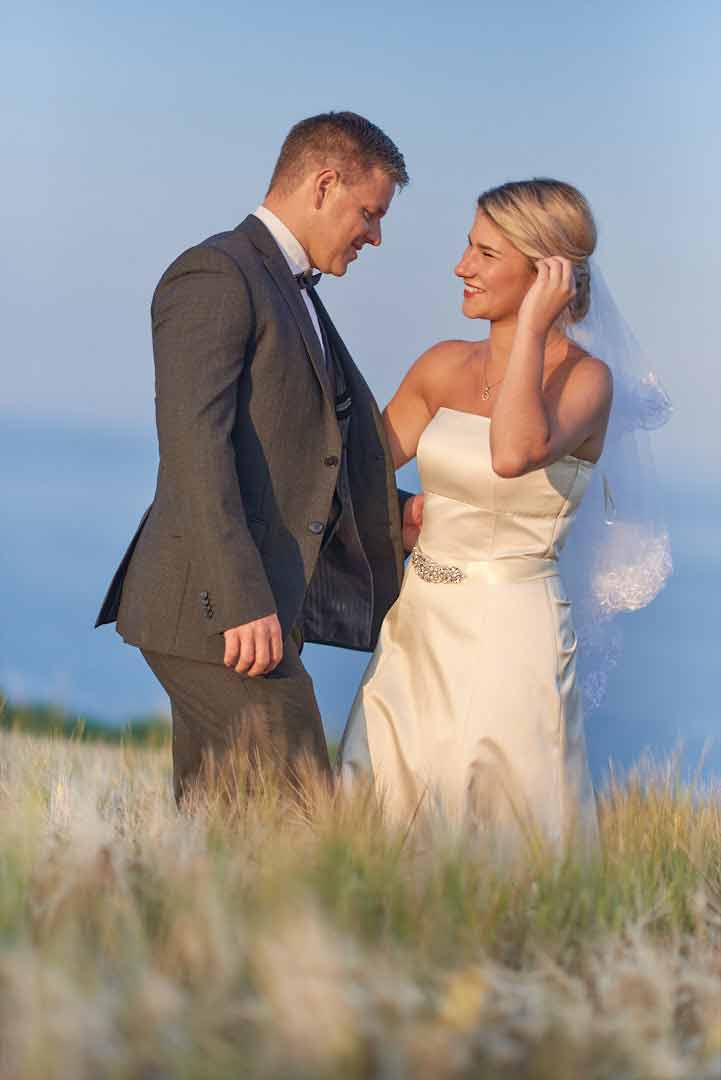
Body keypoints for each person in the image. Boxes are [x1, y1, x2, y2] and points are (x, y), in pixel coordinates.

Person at [95, 111, 423, 805]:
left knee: (221, 830)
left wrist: (399, 514)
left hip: (257, 613)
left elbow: (305, 454)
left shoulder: (292, 289)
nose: (374, 235)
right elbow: (195, 449)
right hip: (219, 614)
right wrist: (240, 600)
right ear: (324, 183)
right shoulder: (216, 274)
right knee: (302, 815)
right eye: (369, 213)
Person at [339, 179, 615, 853]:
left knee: (502, 823)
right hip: (418, 623)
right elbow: (352, 475)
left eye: (485, 254)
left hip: (509, 635)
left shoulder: (587, 381)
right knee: (377, 805)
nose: (461, 267)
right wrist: (403, 513)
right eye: (468, 247)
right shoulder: (440, 364)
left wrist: (529, 330)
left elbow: (513, 452)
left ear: (546, 270)